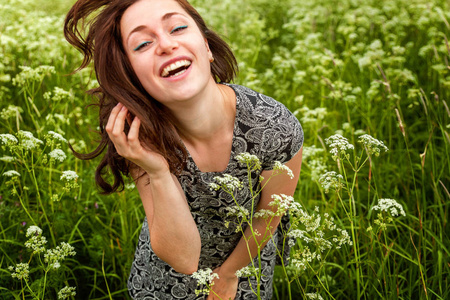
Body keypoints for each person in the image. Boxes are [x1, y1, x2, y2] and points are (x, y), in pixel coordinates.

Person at [64, 0, 303, 299]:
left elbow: (271, 213)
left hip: (246, 265)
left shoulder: (275, 125)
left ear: (206, 46)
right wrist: (157, 170)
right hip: (165, 280)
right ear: (132, 75)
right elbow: (183, 258)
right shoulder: (142, 134)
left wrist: (229, 275)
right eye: (142, 44)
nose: (166, 45)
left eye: (177, 27)